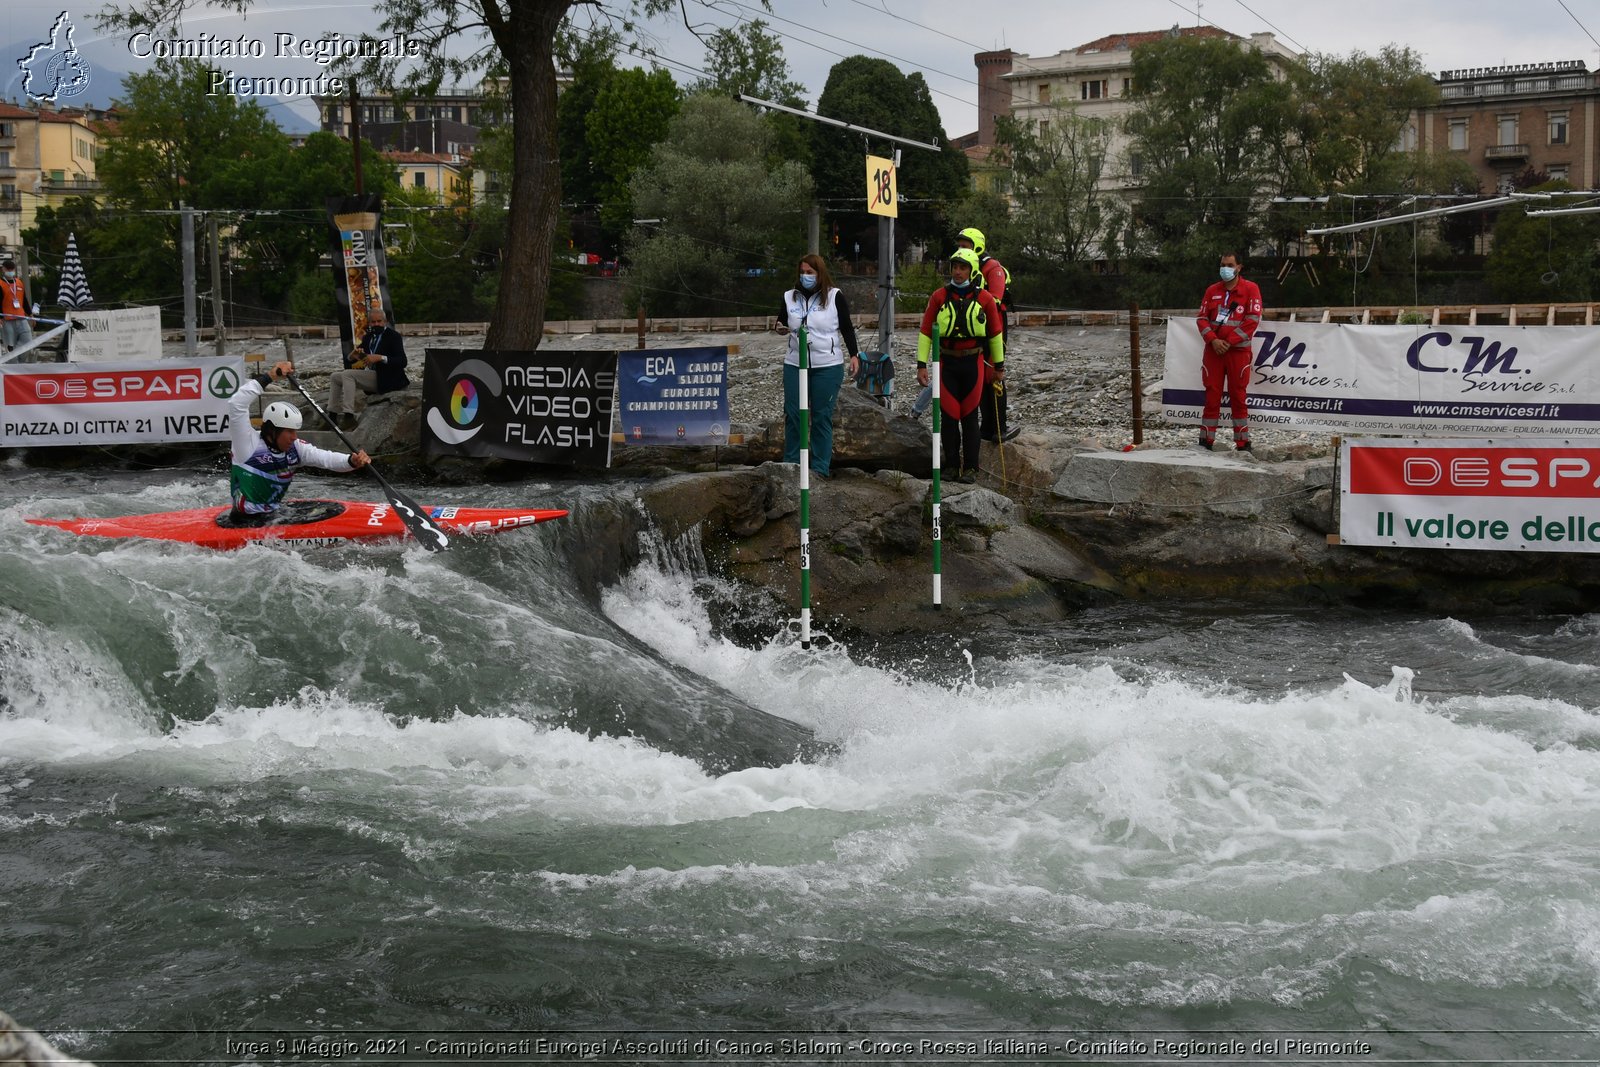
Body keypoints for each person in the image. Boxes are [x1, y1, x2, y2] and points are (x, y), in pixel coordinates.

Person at [228, 360, 370, 524]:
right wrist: (270, 376)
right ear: (272, 431)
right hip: (244, 522)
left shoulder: (295, 448)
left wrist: (351, 461)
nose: (294, 437)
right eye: (289, 431)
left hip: (272, 517)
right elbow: (236, 403)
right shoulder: (246, 444)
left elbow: (325, 458)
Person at [915, 248, 1005, 483]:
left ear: (972, 270)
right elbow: (925, 332)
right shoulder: (939, 297)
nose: (957, 271)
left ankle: (972, 468)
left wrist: (999, 367)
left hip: (973, 362)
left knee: (969, 416)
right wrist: (921, 364)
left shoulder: (985, 299)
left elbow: (995, 334)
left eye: (963, 267)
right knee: (949, 416)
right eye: (955, 267)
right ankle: (952, 466)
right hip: (947, 362)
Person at [773, 253, 860, 478]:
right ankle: (791, 464)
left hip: (827, 365)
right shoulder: (789, 297)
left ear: (819, 274)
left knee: (821, 415)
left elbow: (847, 328)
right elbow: (780, 321)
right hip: (794, 362)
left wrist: (854, 355)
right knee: (793, 414)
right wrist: (780, 327)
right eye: (802, 272)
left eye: (810, 272)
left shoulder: (834, 297)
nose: (805, 276)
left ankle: (820, 467)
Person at [954, 227, 1018, 444]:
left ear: (977, 246)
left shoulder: (992, 268)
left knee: (994, 375)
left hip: (995, 328)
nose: (961, 249)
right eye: (960, 246)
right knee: (980, 377)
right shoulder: (970, 269)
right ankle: (986, 426)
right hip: (976, 329)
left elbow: (994, 301)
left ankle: (1000, 427)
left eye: (965, 245)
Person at [1195, 251, 1262, 452]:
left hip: (1238, 353)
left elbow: (1252, 320)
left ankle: (1242, 443)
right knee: (1212, 396)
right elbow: (1201, 319)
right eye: (1223, 264)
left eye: (1230, 265)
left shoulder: (1251, 289)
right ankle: (1206, 441)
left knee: (1238, 396)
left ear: (1239, 267)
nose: (1226, 268)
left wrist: (1228, 342)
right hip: (1213, 352)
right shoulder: (1211, 290)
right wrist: (1214, 340)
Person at [328, 307, 408, 431]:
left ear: (385, 321)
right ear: (369, 323)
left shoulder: (393, 336)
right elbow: (353, 358)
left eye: (379, 321)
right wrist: (352, 356)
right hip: (373, 375)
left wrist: (380, 358)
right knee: (335, 376)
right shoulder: (368, 337)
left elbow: (402, 361)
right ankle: (331, 416)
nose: (377, 324)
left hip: (389, 379)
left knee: (348, 374)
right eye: (373, 322)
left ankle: (348, 416)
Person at [0, 257, 33, 360]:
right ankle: (13, 367)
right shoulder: (0, 284)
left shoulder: (18, 282)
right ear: (3, 269)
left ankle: (19, 360)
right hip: (7, 320)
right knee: (10, 347)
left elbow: (24, 300)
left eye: (11, 269)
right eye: (7, 269)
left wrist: (30, 314)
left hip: (21, 318)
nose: (10, 271)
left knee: (28, 342)